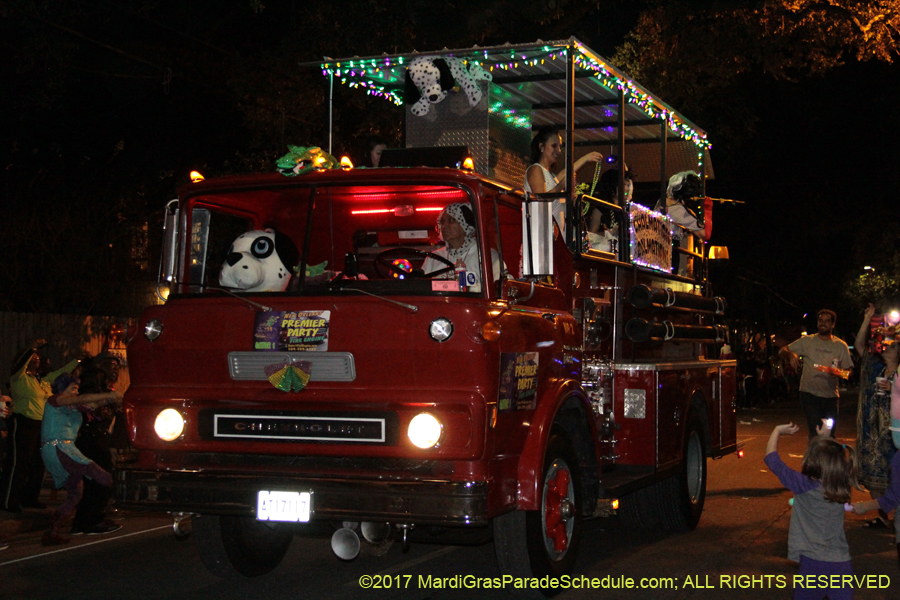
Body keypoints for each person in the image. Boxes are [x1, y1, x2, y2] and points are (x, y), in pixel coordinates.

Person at [765, 421, 860, 600]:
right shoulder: (842, 484)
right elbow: (829, 462)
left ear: (812, 462)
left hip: (812, 565)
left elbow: (772, 460)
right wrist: (823, 438)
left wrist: (777, 430)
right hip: (841, 565)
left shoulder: (803, 485)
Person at [40, 371, 123, 545]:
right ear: (63, 388)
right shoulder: (55, 400)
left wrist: (110, 399)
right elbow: (79, 400)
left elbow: (90, 404)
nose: (76, 392)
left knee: (76, 493)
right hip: (60, 449)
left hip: (67, 450)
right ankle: (115, 502)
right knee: (102, 476)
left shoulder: (74, 406)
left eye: (77, 389)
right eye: (73, 388)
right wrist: (108, 395)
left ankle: (51, 532)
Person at [0, 340, 80, 513]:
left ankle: (29, 498)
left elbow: (59, 373)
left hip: (41, 425)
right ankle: (9, 501)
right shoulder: (19, 378)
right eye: (33, 356)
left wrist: (77, 361)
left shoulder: (41, 381)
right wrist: (32, 348)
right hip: (23, 423)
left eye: (37, 356)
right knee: (19, 463)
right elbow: (21, 362)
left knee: (37, 463)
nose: (36, 358)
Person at [853, 303, 898, 527]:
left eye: (890, 345)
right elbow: (859, 345)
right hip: (871, 427)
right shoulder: (872, 363)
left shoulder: (898, 370)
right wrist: (867, 318)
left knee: (893, 472)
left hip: (892, 429)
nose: (884, 347)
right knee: (872, 471)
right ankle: (882, 517)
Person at [72, 351, 125, 535]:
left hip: (98, 436)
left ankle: (85, 521)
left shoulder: (104, 386)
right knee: (102, 479)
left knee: (95, 481)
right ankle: (90, 521)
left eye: (117, 367)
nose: (114, 370)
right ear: (100, 365)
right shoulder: (92, 381)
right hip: (90, 437)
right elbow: (88, 405)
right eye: (111, 365)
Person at [779, 310, 853, 439]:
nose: (823, 323)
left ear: (833, 325)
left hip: (830, 396)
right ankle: (814, 458)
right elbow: (782, 351)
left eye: (827, 321)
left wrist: (837, 373)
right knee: (815, 431)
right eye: (820, 320)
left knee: (829, 434)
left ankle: (827, 458)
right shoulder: (807, 341)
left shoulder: (841, 346)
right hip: (809, 394)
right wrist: (791, 354)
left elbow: (848, 372)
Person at [523, 128, 603, 233]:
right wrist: (562, 185)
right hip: (540, 233)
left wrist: (586, 158)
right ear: (541, 147)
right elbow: (540, 199)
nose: (559, 151)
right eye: (554, 146)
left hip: (553, 233)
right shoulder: (535, 169)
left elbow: (566, 173)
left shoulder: (549, 174)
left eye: (560, 146)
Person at [420, 203, 503, 293]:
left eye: (452, 220)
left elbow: (499, 290)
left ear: (466, 225)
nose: (445, 226)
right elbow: (421, 289)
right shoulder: (433, 258)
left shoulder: (487, 256)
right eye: (443, 221)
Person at [654, 171, 712, 278]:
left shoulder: (662, 202)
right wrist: (708, 210)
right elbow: (705, 234)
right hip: (670, 251)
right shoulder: (678, 210)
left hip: (657, 249)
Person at [585, 167, 632, 253]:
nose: (627, 189)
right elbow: (591, 237)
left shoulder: (628, 209)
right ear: (613, 186)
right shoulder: (601, 209)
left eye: (628, 185)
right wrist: (608, 233)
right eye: (625, 185)